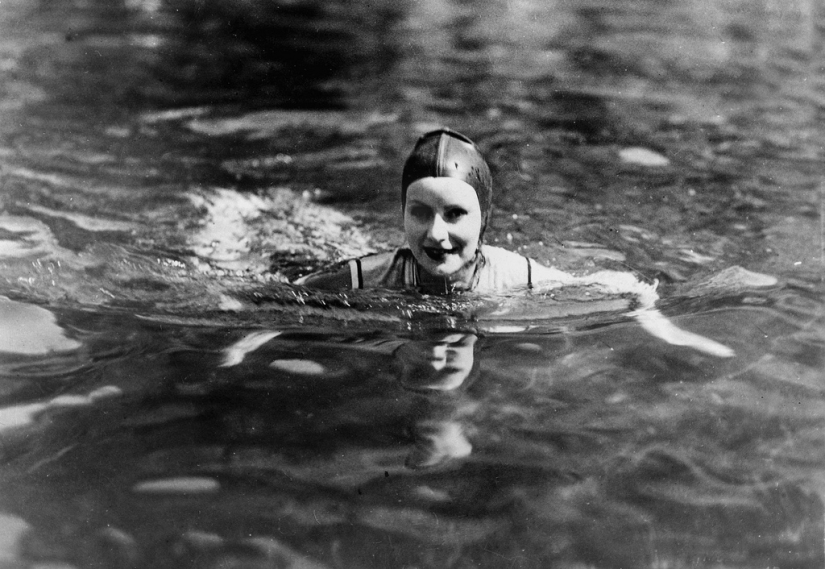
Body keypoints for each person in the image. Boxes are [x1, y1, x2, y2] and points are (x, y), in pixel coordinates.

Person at [294, 127, 736, 358]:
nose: (435, 234)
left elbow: (625, 286)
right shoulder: (373, 273)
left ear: (484, 220)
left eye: (454, 214)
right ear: (402, 213)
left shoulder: (514, 275)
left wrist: (665, 328)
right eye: (420, 212)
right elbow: (284, 294)